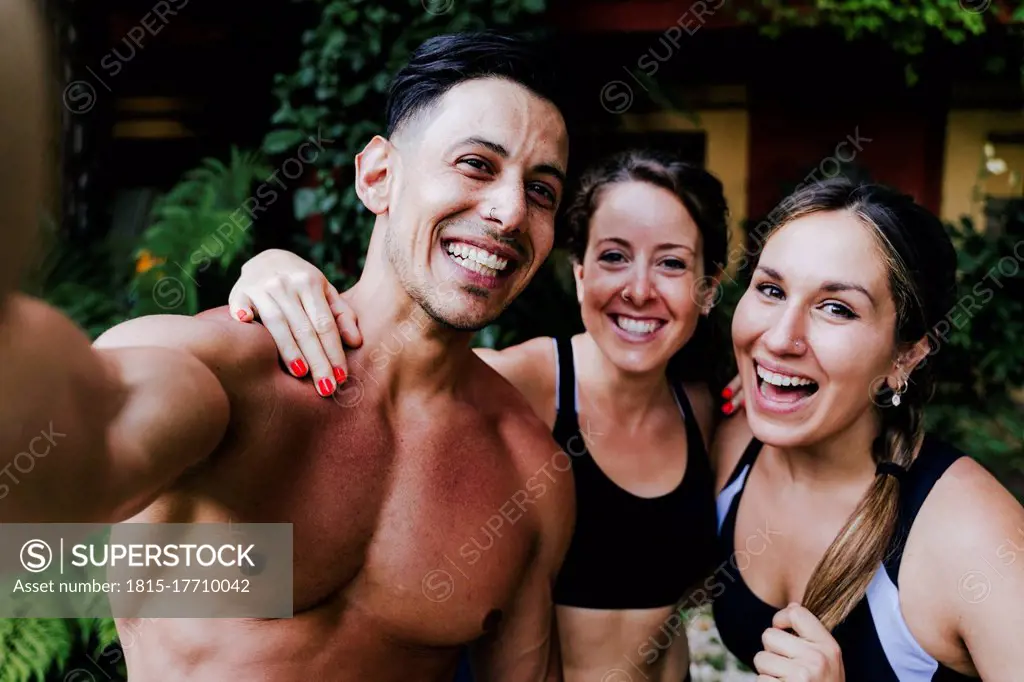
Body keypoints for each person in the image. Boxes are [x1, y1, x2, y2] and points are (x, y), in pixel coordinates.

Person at [2, 28, 576, 682]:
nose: (508, 212)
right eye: (477, 164)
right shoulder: (227, 373)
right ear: (379, 175)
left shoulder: (527, 472)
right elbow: (75, 450)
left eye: (541, 191)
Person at [225, 149, 732, 681]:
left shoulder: (701, 407)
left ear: (709, 288)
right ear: (580, 274)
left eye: (672, 263)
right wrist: (269, 270)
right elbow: (370, 381)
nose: (639, 289)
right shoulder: (513, 389)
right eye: (613, 257)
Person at [712, 179, 1024, 680]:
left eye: (836, 308)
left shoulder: (977, 541)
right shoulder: (725, 445)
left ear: (906, 356)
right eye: (771, 290)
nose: (779, 337)